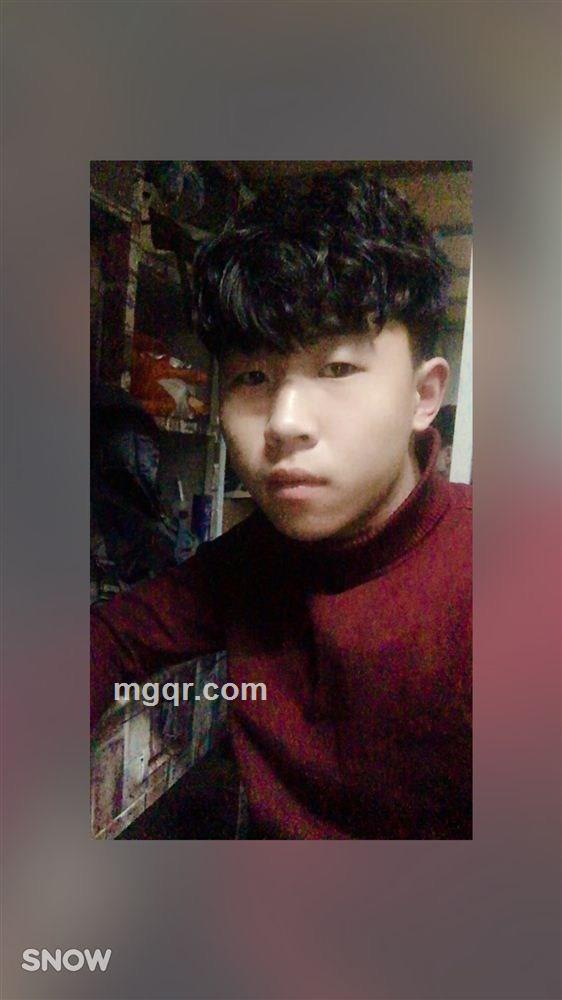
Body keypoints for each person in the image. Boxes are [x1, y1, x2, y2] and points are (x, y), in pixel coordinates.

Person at [91, 167, 472, 839]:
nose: (285, 422)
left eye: (337, 369)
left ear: (424, 395)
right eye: (253, 377)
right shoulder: (251, 563)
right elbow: (111, 638)